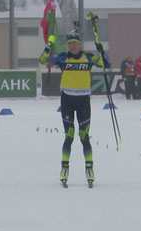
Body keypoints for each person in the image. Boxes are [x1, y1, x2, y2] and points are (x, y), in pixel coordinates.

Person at [39, 30, 110, 187]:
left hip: (84, 100)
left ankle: (89, 169)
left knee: (84, 136)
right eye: (70, 43)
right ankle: (64, 169)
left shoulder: (89, 57)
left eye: (75, 43)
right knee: (69, 136)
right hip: (67, 100)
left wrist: (101, 50)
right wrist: (48, 46)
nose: (73, 46)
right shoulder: (63, 57)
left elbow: (106, 64)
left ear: (80, 44)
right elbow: (43, 60)